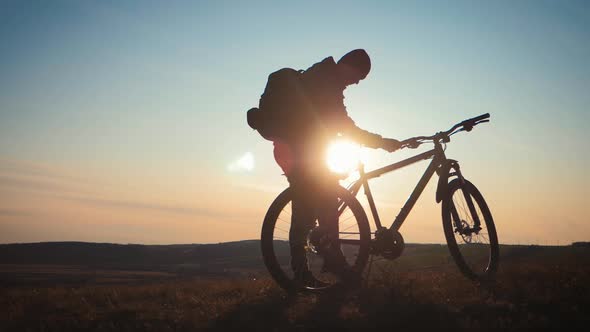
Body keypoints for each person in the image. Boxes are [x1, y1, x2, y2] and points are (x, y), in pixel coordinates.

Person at [271, 49, 402, 287]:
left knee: (325, 201)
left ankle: (332, 260)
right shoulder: (324, 81)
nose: (357, 82)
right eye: (358, 76)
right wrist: (380, 142)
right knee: (305, 211)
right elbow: (342, 124)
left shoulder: (325, 78)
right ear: (347, 66)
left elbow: (335, 124)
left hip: (305, 151)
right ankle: (306, 272)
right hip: (298, 151)